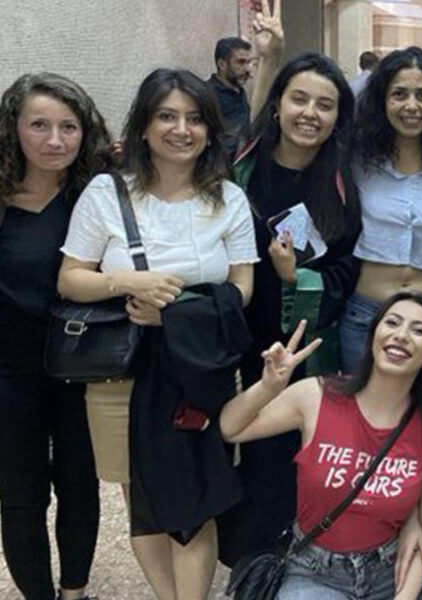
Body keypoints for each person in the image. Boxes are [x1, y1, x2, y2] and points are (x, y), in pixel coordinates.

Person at [58, 68, 258, 600]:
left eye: (195, 119)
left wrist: (175, 313)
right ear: (144, 127)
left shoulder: (228, 199)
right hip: (120, 370)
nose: (181, 130)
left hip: (198, 370)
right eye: (167, 116)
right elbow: (71, 278)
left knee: (195, 496)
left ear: (210, 131)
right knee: (142, 502)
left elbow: (242, 289)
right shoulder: (108, 192)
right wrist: (129, 282)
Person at [224, 50, 364, 564]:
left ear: (338, 117)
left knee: (284, 455)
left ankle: (285, 558)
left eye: (325, 105)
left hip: (299, 344)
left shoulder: (342, 184)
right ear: (278, 103)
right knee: (226, 448)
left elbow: (347, 268)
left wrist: (296, 277)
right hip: (231, 332)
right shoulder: (238, 167)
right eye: (299, 99)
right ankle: (244, 555)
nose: (310, 113)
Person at [221, 294, 422, 600]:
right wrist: (268, 387)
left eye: (419, 330)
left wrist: (405, 596)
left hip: (390, 571)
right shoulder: (317, 396)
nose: (401, 335)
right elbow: (230, 428)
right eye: (392, 323)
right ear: (372, 337)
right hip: (315, 572)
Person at [0, 72, 111, 600]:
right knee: (20, 492)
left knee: (79, 482)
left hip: (82, 362)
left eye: (68, 127)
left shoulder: (99, 194)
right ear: (13, 128)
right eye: (39, 125)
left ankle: (75, 592)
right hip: (8, 370)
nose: (54, 140)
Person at [343, 45, 422, 372]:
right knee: (360, 402)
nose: (411, 106)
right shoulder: (355, 159)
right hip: (367, 311)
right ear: (382, 100)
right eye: (399, 94)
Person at [206, 36, 253, 161]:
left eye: (249, 62)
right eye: (241, 62)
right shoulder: (207, 94)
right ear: (222, 64)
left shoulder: (239, 90)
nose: (248, 69)